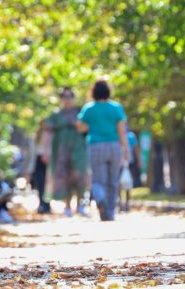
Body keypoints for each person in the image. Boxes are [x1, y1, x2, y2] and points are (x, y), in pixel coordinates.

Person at [76, 80, 130, 221]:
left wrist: (92, 125)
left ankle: (100, 199)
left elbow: (80, 126)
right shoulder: (116, 108)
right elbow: (122, 131)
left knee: (98, 180)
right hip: (114, 145)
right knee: (112, 181)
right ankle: (110, 212)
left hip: (95, 146)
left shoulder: (89, 108)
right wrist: (126, 149)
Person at [43, 87, 89, 217]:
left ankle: (81, 205)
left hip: (78, 148)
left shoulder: (81, 112)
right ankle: (68, 206)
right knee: (65, 177)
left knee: (79, 175)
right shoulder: (55, 115)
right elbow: (47, 134)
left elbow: (87, 128)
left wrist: (79, 125)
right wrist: (45, 151)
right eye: (65, 97)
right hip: (61, 149)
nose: (67, 100)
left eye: (70, 97)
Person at [28, 119, 51, 214]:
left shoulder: (52, 135)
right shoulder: (35, 136)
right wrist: (30, 168)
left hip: (49, 161)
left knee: (48, 184)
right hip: (38, 161)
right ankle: (42, 204)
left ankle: (47, 204)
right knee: (40, 184)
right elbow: (32, 154)